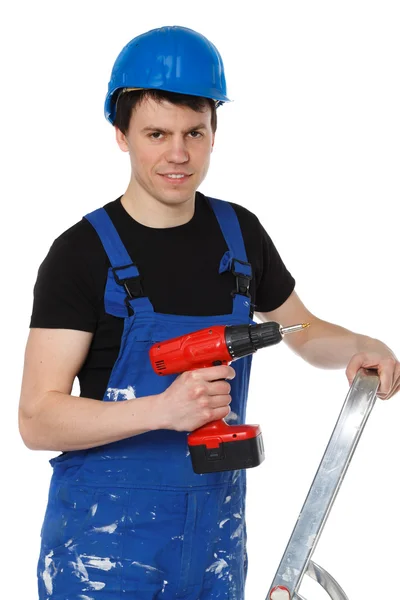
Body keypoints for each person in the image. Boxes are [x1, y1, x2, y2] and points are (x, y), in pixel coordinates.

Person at [19, 25, 399, 600]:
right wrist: (163, 410)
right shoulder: (81, 253)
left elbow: (301, 330)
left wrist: (357, 345)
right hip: (104, 554)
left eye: (194, 132)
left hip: (212, 544)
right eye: (157, 133)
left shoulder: (238, 234)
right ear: (120, 135)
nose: (179, 154)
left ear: (214, 130)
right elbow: (37, 419)